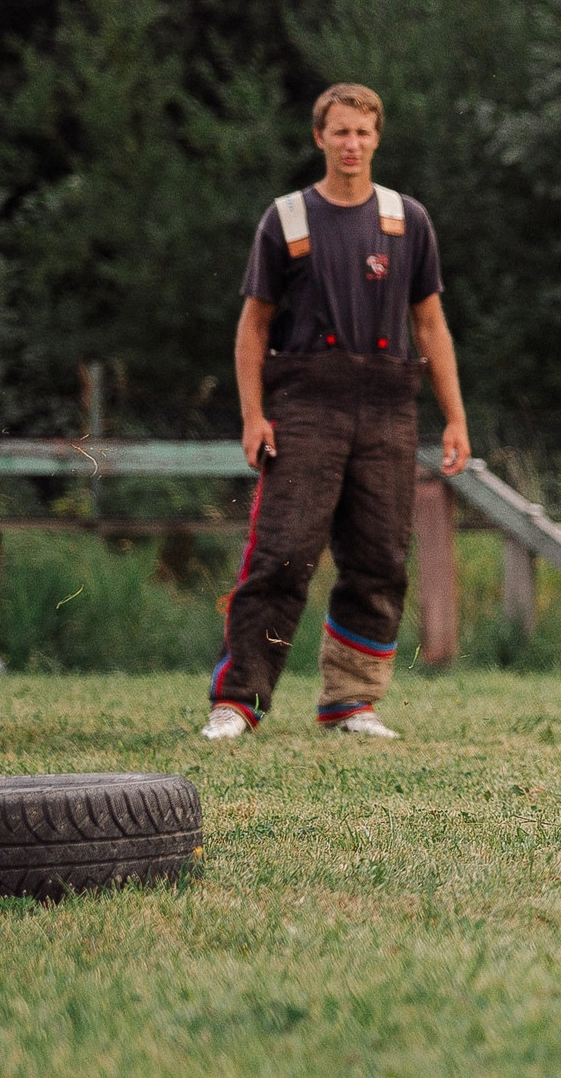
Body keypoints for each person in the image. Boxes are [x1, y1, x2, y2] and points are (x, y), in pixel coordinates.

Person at [199, 84, 471, 741]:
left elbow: (431, 326)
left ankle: (351, 702)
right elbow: (251, 328)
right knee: (283, 553)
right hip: (305, 405)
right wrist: (252, 415)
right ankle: (238, 699)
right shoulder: (285, 219)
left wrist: (455, 418)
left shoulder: (409, 219)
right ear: (319, 137)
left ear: (379, 138)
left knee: (380, 557)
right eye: (340, 131)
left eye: (363, 132)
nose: (352, 144)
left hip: (387, 410)